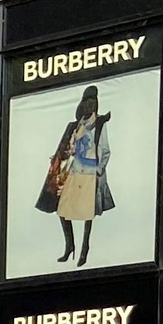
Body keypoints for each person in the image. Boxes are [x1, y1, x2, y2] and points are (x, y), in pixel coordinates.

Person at [39, 84, 114, 268]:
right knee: (63, 209)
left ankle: (85, 248)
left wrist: (99, 170)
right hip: (74, 171)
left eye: (92, 103)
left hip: (89, 173)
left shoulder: (99, 125)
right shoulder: (76, 125)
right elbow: (70, 147)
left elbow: (105, 151)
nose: (89, 107)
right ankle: (69, 245)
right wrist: (61, 156)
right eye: (86, 103)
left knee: (88, 213)